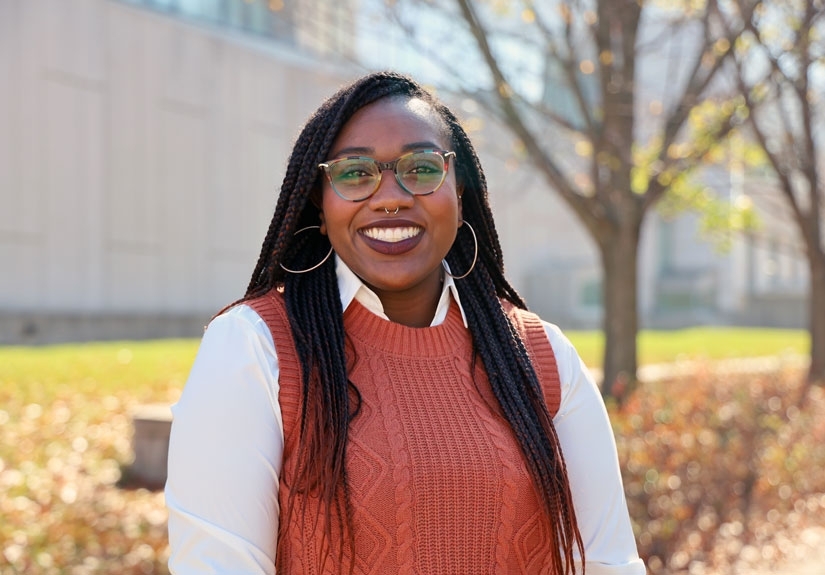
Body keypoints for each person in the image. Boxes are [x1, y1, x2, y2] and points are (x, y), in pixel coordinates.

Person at [165, 71, 645, 575]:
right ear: (319, 204)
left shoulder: (541, 356)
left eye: (421, 168)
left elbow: (611, 564)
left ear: (460, 192)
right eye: (355, 173)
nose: (390, 196)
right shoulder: (254, 348)